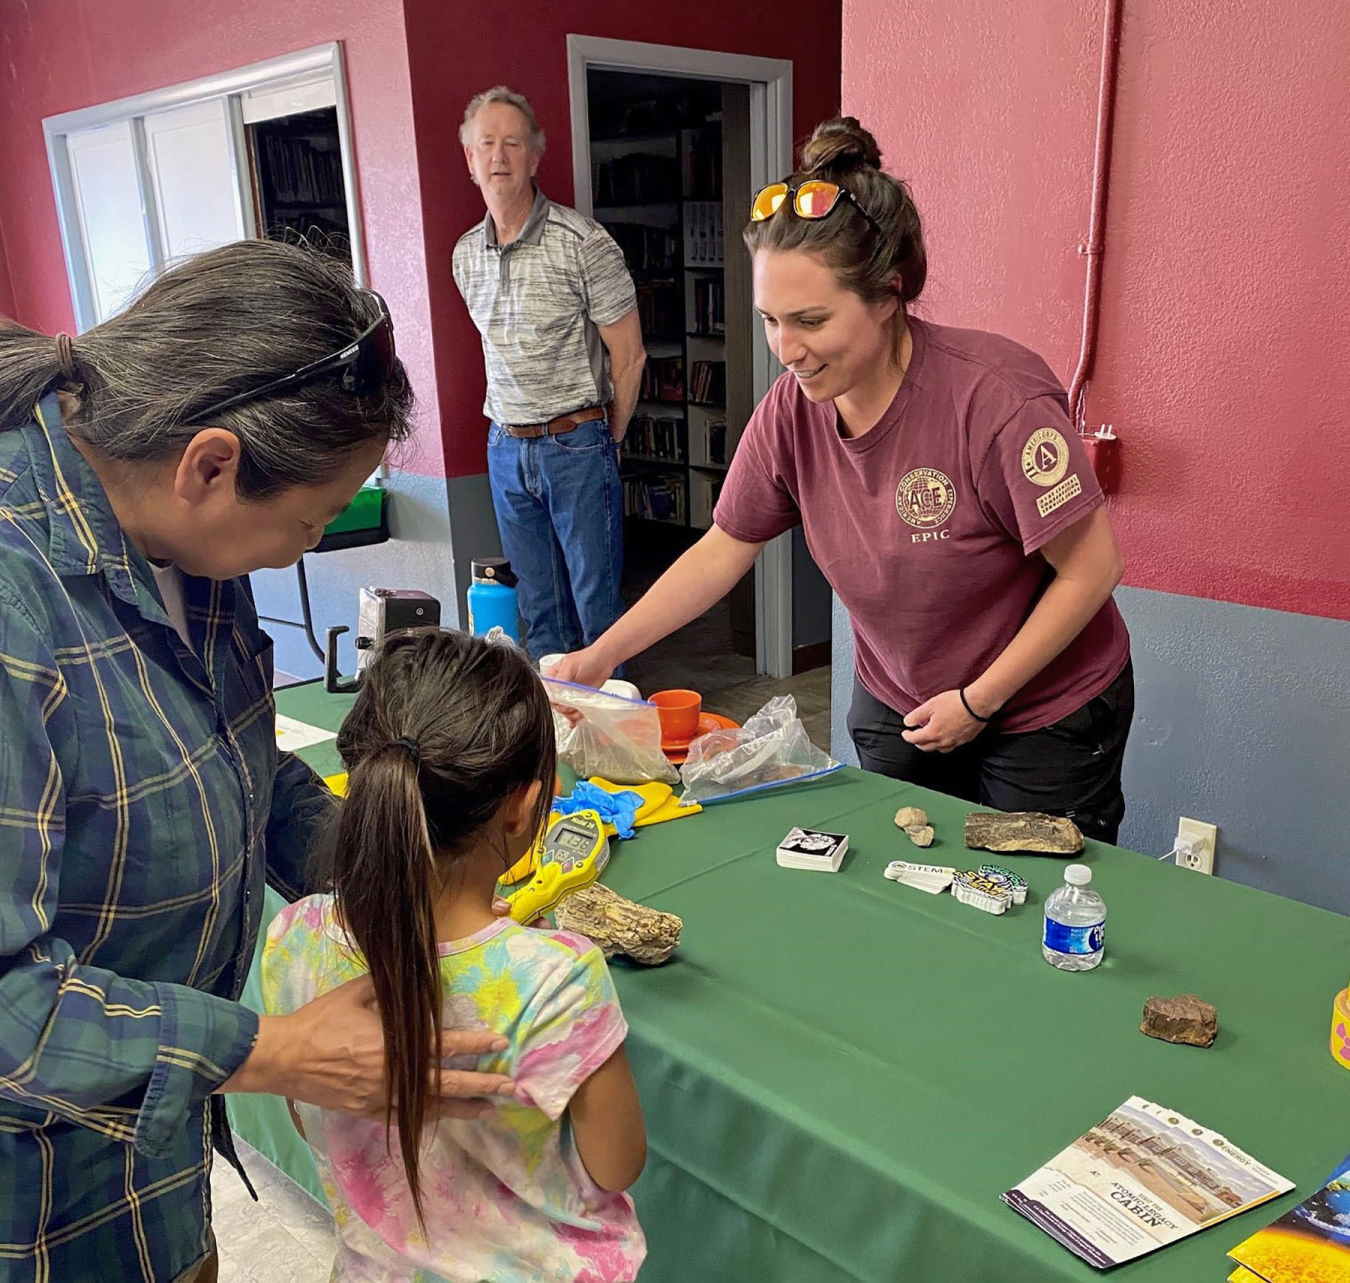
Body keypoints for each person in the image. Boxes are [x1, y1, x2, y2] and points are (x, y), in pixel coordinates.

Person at [0, 241, 518, 1283]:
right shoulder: (19, 611)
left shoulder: (178, 538)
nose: (305, 545)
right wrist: (270, 1048)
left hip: (151, 1159)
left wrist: (401, 855)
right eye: (312, 518)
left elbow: (242, 760)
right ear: (213, 462)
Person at [552, 117, 1134, 843]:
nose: (785, 349)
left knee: (1021, 909)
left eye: (811, 320)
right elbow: (722, 549)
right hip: (903, 696)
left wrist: (980, 701)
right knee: (903, 880)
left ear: (889, 295)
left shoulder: (995, 399)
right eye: (770, 320)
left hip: (1042, 707)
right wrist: (601, 652)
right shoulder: (790, 412)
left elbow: (1093, 568)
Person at [261, 628, 647, 1282]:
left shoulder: (293, 935)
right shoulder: (560, 978)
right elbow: (617, 1162)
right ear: (524, 808)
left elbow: (308, 1121)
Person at [453, 86, 647, 663]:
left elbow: (630, 356)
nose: (499, 157)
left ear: (535, 156)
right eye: (486, 144)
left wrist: (605, 438)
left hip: (578, 442)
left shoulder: (584, 243)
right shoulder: (465, 255)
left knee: (599, 611)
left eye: (512, 143)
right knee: (537, 608)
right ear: (470, 159)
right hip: (506, 448)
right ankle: (553, 736)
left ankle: (616, 742)